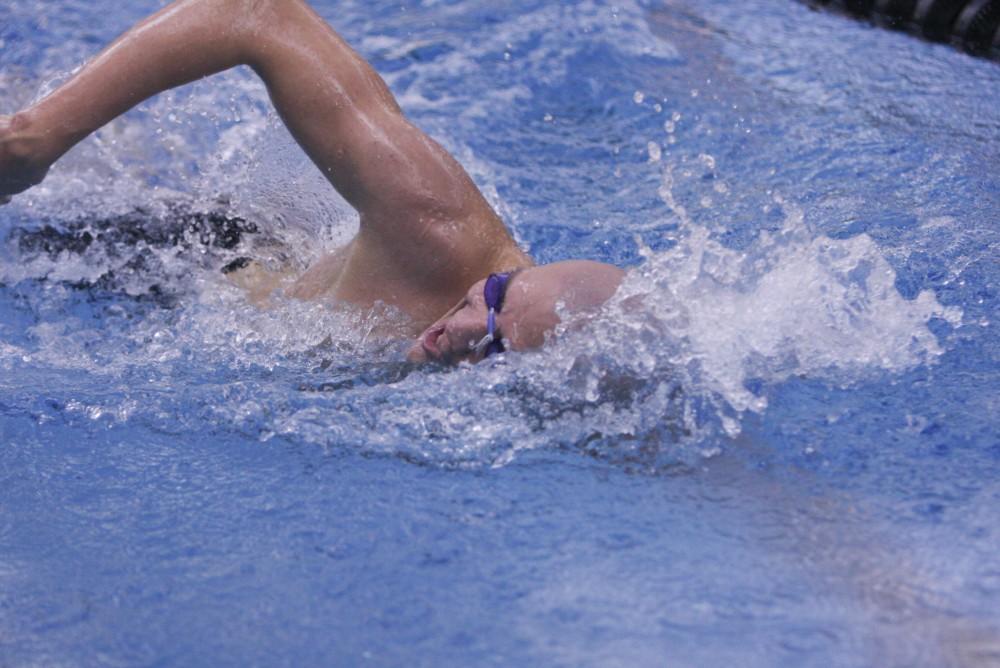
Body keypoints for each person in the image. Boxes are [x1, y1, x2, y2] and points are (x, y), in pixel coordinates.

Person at [0, 0, 624, 364]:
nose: (462, 327)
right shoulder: (437, 224)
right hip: (197, 255)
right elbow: (257, 13)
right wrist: (39, 136)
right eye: (487, 296)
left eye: (493, 347)